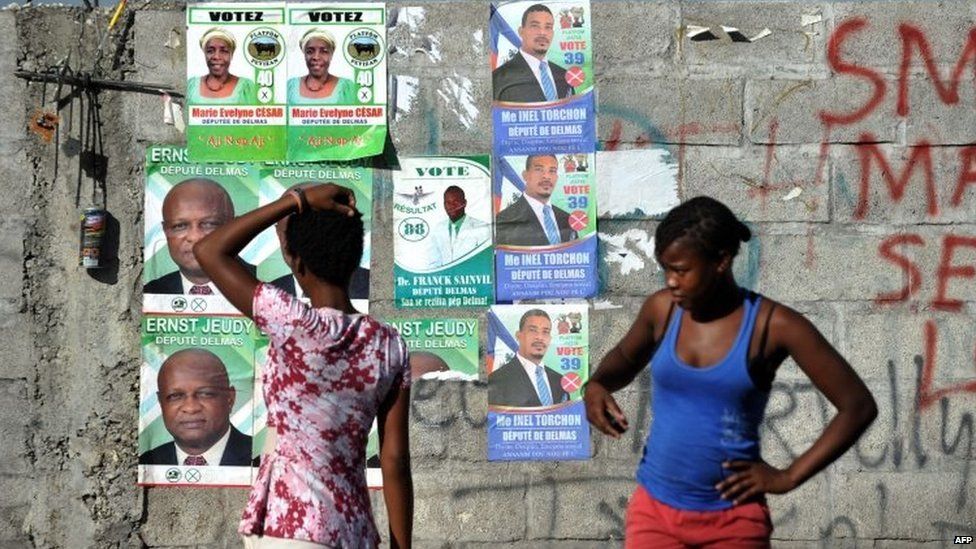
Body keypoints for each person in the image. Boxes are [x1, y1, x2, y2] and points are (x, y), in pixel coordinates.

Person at [583, 196, 878, 548]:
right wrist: (596, 384)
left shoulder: (774, 326)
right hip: (655, 512)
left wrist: (788, 477)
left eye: (681, 270)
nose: (671, 281)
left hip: (733, 521)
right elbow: (624, 359)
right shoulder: (662, 310)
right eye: (666, 269)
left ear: (721, 260)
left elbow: (857, 405)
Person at [193, 184, 412, 548]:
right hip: (353, 532)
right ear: (355, 258)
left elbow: (210, 250)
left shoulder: (292, 322)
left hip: (287, 528)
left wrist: (295, 202)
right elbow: (395, 460)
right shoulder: (388, 344)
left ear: (296, 261)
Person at [140, 348, 255, 467]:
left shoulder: (261, 458)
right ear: (161, 402)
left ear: (230, 399)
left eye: (205, 394)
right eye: (175, 396)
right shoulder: (147, 462)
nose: (191, 408)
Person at [145, 178, 256, 295]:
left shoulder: (265, 287)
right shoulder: (151, 292)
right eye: (180, 226)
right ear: (166, 231)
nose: (195, 237)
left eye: (209, 224)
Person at [492, 4, 575, 103]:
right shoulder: (499, 78)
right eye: (535, 26)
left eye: (548, 27)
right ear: (521, 31)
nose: (542, 32)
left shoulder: (565, 76)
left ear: (552, 33)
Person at [488, 309, 568, 408]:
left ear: (550, 339)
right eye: (533, 330)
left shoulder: (560, 380)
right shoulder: (496, 381)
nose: (539, 337)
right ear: (518, 336)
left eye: (545, 332)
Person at [495, 155, 577, 247]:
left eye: (552, 171)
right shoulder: (504, 220)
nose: (546, 176)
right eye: (539, 169)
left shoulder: (568, 219)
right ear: (525, 175)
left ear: (557, 177)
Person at [187, 28, 257, 105]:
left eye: (224, 51)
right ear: (205, 54)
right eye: (210, 51)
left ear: (231, 55)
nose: (216, 57)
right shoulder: (191, 86)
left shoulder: (246, 88)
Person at [288, 28, 356, 105]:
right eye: (310, 51)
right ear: (304, 54)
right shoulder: (290, 86)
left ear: (331, 54)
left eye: (324, 51)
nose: (316, 57)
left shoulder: (346, 88)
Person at [429, 185, 491, 268]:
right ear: (444, 205)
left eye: (456, 202)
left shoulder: (483, 228)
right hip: (446, 279)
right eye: (448, 203)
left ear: (464, 203)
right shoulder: (438, 229)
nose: (452, 206)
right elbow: (433, 264)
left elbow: (484, 263)